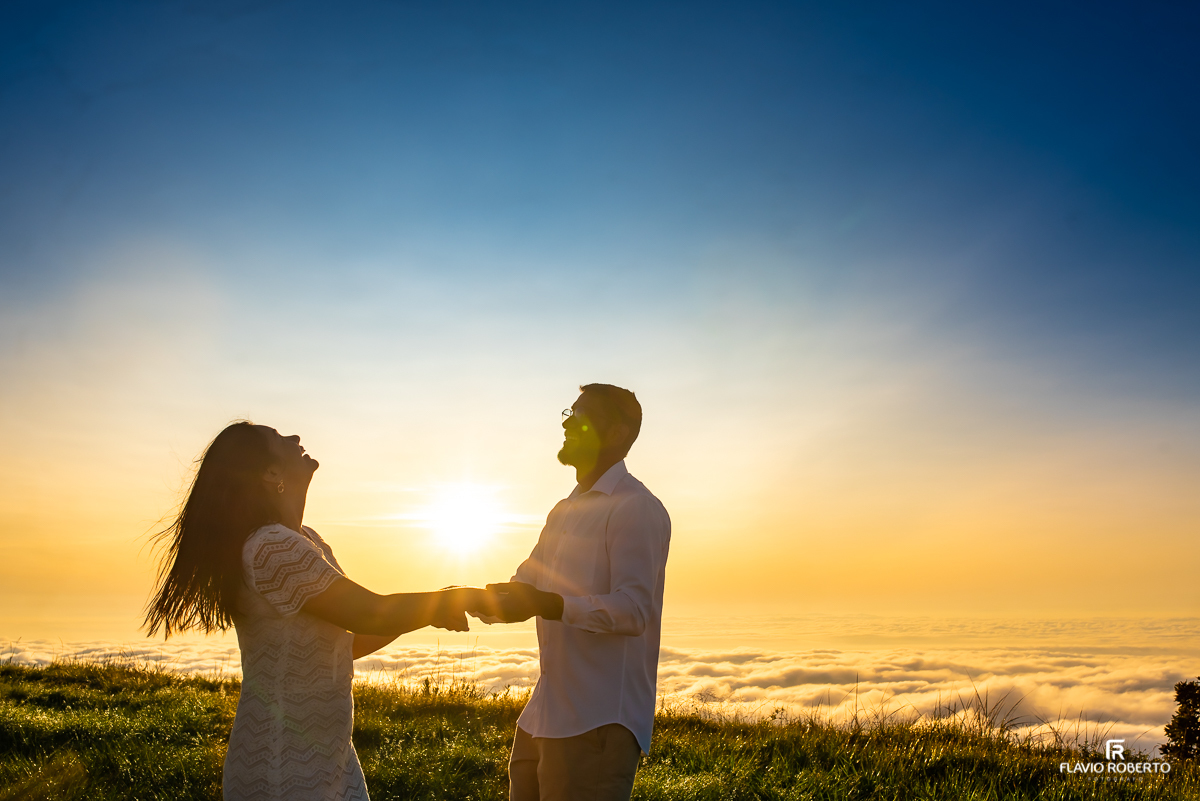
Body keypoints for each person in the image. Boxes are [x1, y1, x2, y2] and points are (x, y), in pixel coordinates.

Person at [143, 421, 494, 801]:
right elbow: (369, 612)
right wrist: (456, 597)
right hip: (282, 766)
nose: (295, 438)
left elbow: (345, 643)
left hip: (329, 757)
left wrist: (427, 612)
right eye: (280, 439)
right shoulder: (271, 547)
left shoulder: (305, 540)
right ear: (271, 473)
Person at [480, 384, 671, 801]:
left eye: (581, 416)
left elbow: (634, 610)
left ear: (618, 434)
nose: (567, 422)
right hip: (543, 717)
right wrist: (466, 600)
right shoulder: (564, 510)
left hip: (598, 723)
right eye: (569, 412)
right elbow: (525, 586)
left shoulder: (635, 507)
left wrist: (546, 604)